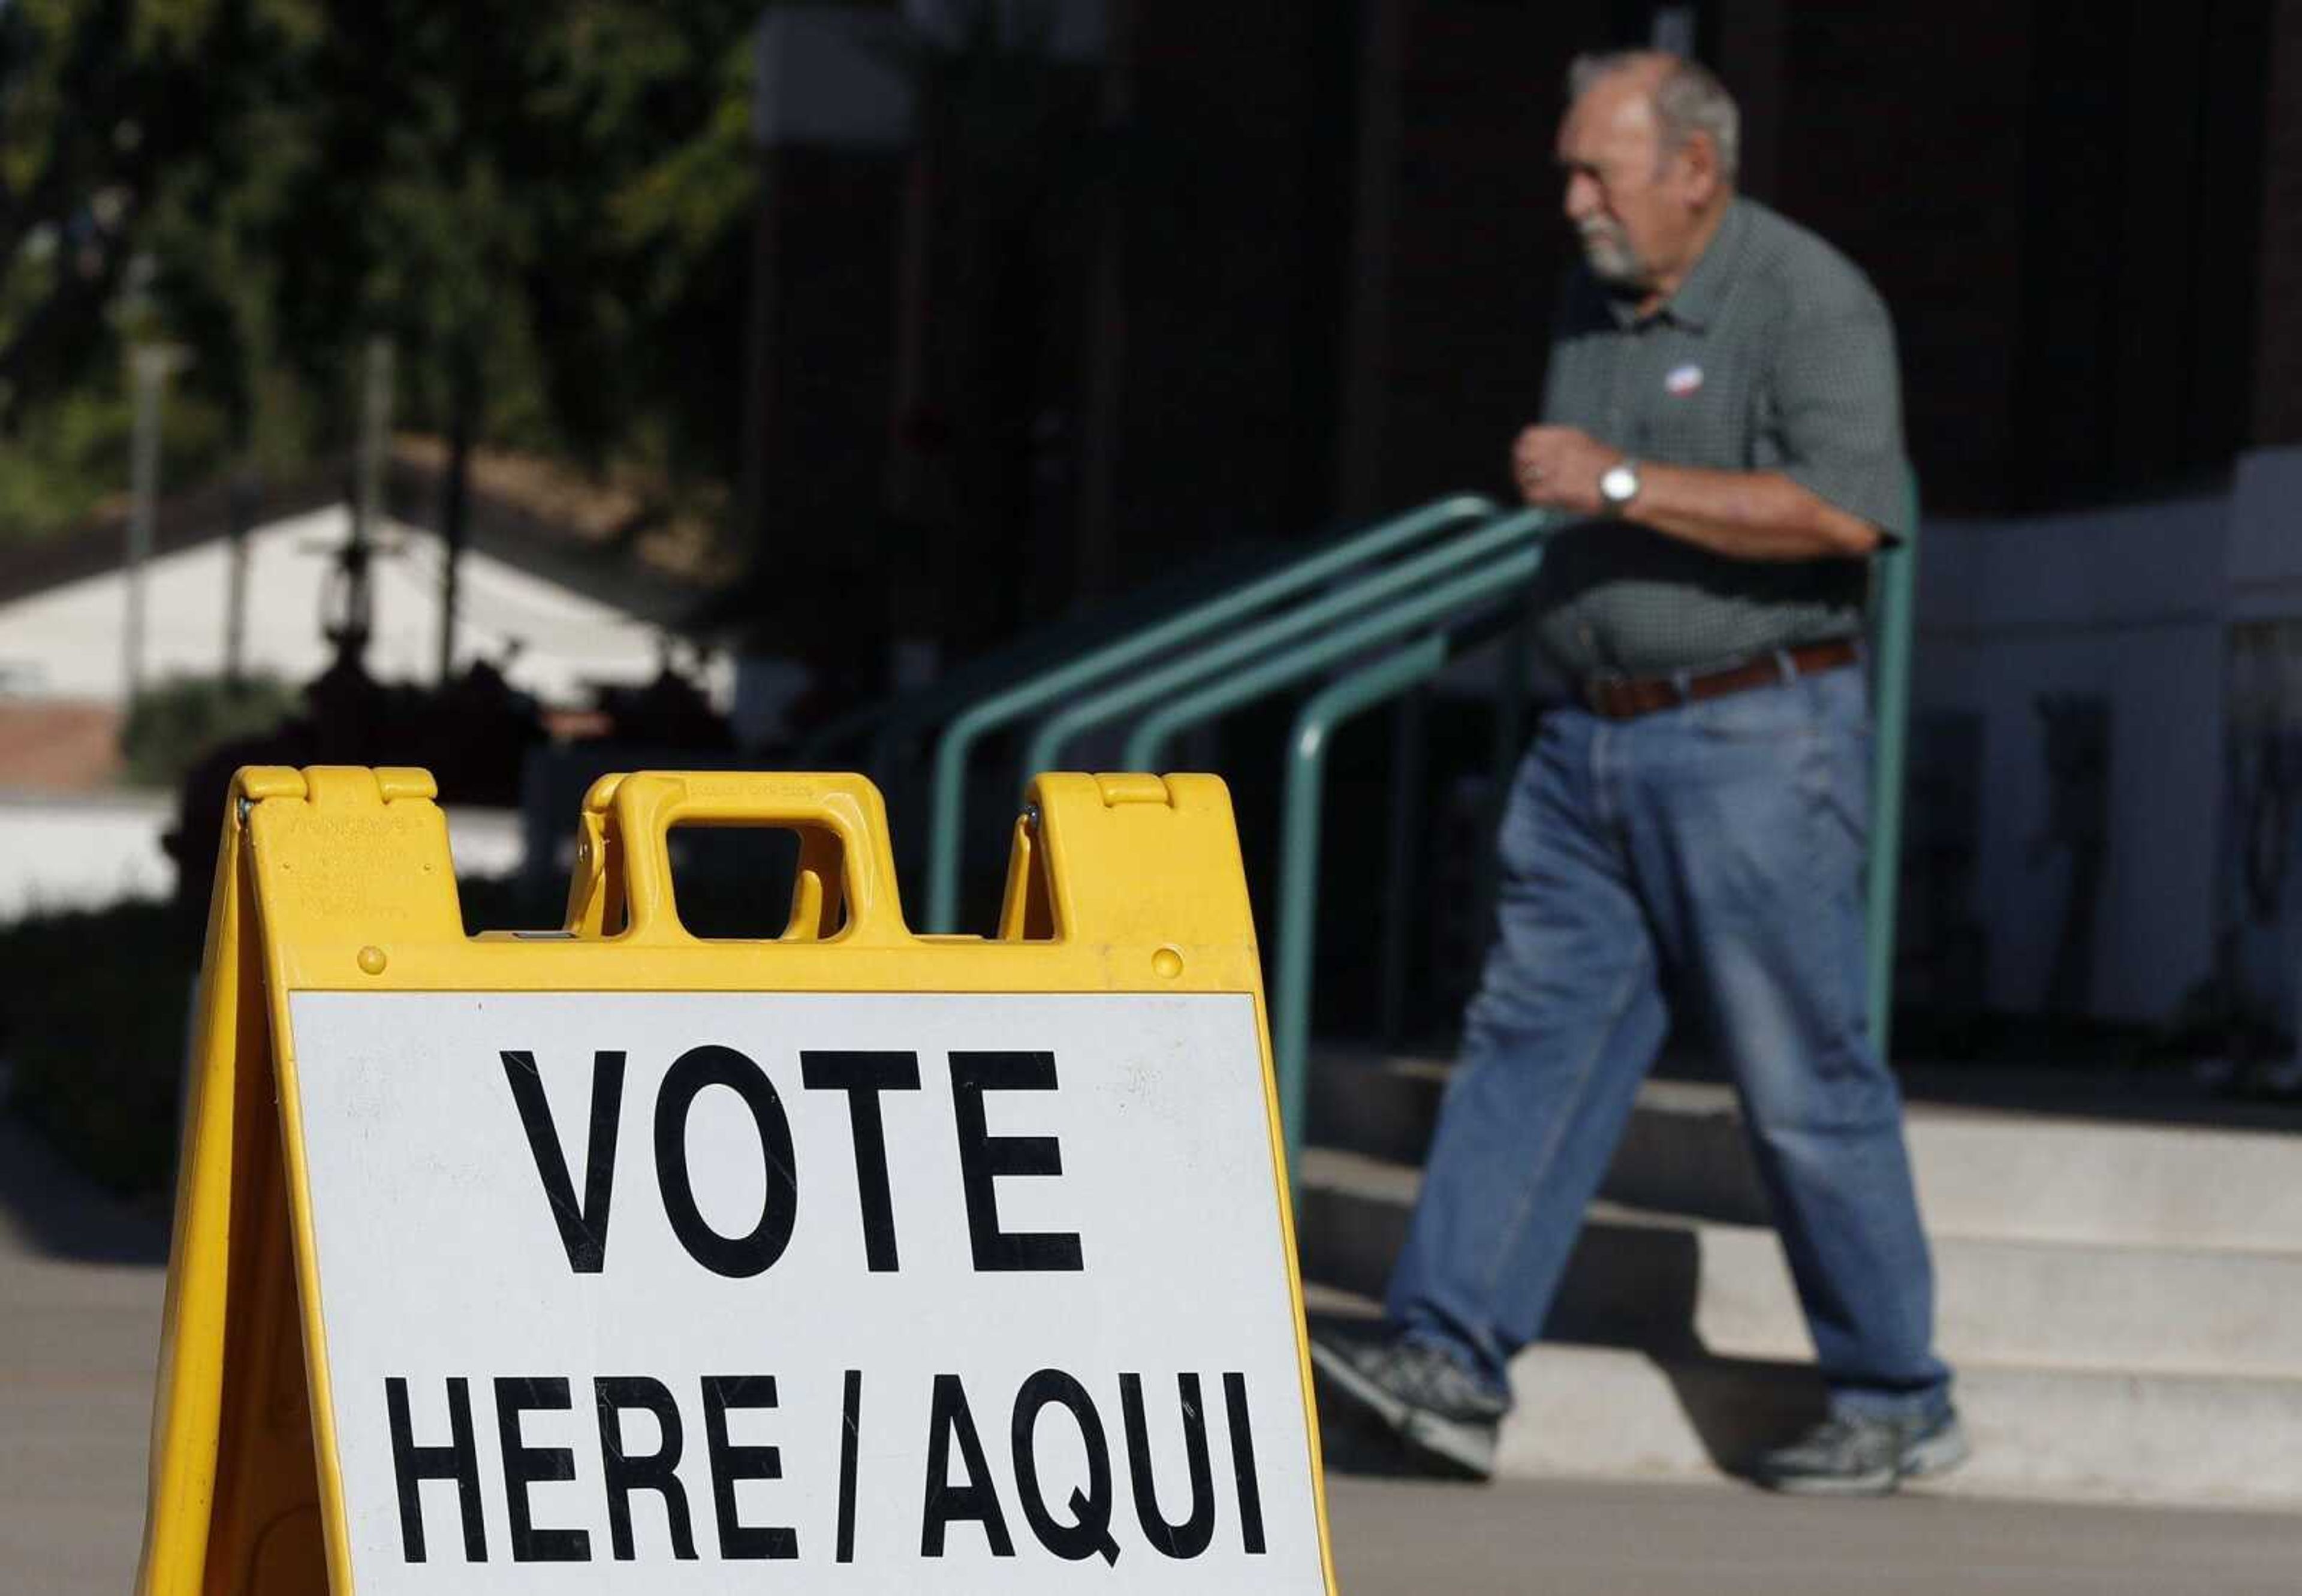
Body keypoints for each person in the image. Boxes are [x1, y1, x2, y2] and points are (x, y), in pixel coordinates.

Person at [1308, 49, 1966, 1496]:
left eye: (1600, 171)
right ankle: (1448, 1360)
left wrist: (1617, 482)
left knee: (1799, 1078)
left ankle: (1895, 1390)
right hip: (1587, 738)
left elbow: (1849, 515)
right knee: (1527, 1046)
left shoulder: (1809, 301)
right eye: (1567, 167)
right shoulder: (1597, 296)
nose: (1573, 200)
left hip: (1754, 739)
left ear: (1697, 171)